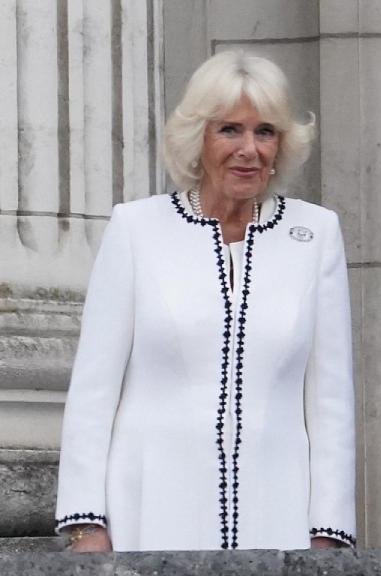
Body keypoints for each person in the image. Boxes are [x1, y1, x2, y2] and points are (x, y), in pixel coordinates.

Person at [54, 51, 356, 552]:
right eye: (230, 130)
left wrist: (327, 534)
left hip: (276, 516)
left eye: (265, 132)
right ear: (199, 139)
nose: (249, 150)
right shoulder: (137, 229)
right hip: (149, 513)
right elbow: (92, 391)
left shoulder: (316, 234)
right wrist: (87, 525)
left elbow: (331, 402)